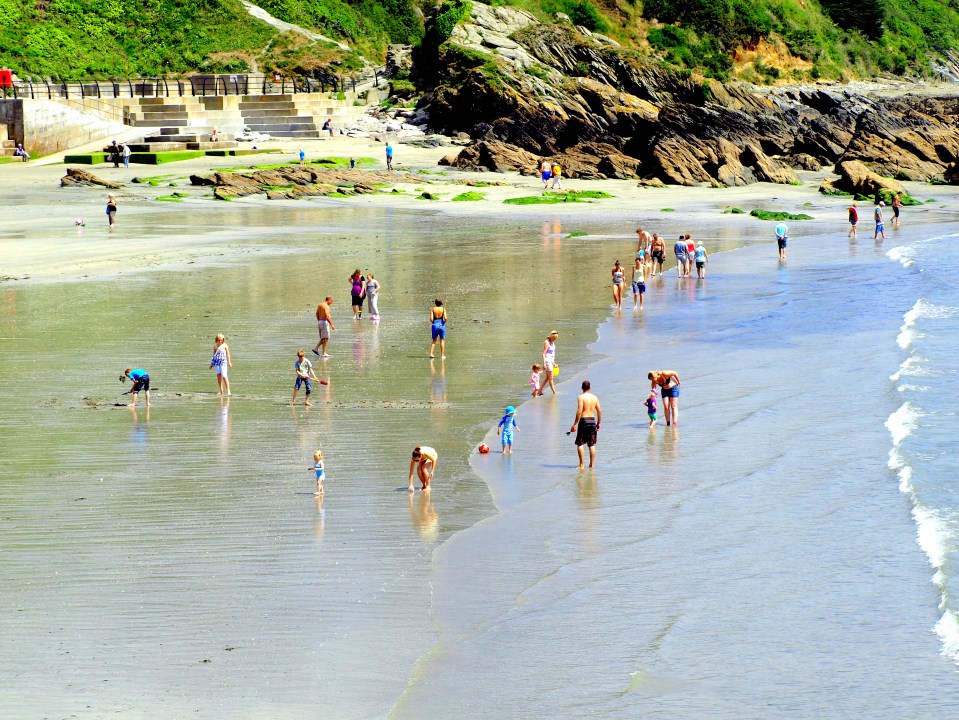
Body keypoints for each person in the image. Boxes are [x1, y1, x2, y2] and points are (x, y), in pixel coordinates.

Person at [569, 380, 602, 470]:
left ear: (582, 388)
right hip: (592, 420)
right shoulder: (595, 398)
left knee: (580, 443)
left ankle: (582, 465)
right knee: (592, 444)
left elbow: (579, 411)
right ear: (590, 387)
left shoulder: (581, 397)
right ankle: (591, 464)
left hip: (584, 421)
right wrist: (598, 423)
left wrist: (575, 424)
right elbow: (599, 411)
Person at [537, 331, 558, 396]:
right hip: (547, 360)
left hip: (551, 361)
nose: (554, 340)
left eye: (555, 339)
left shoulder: (552, 342)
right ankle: (554, 392)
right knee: (551, 377)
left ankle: (539, 390)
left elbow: (552, 353)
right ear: (551, 336)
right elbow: (543, 354)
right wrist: (544, 363)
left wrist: (554, 362)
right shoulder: (547, 342)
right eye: (554, 338)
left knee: (547, 377)